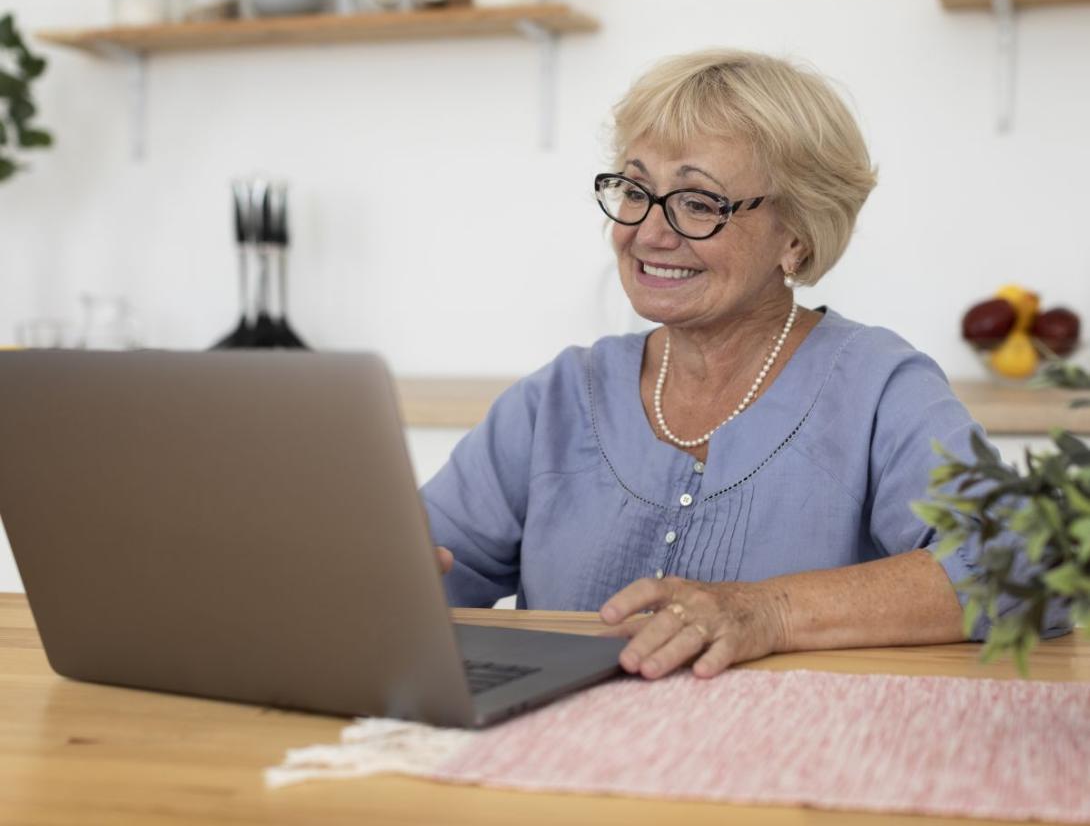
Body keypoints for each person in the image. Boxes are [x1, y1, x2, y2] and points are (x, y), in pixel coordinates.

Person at [424, 49, 1070, 681]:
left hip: (796, 770)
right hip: (549, 770)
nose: (649, 233)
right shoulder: (559, 398)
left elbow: (1026, 571)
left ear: (796, 236)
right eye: (635, 189)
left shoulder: (879, 386)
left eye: (699, 203)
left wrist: (769, 611)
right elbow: (427, 574)